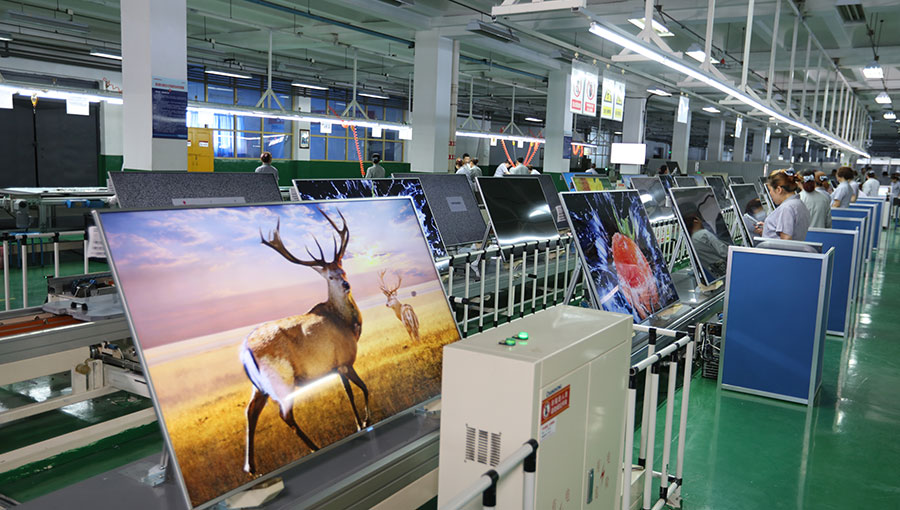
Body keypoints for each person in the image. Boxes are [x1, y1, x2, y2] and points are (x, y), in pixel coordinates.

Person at [763, 170, 811, 241]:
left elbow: (786, 241)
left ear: (779, 190)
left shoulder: (786, 208)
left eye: (770, 190)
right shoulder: (799, 204)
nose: (770, 193)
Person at [686, 213, 729, 280]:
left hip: (715, 273)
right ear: (695, 221)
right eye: (700, 220)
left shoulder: (691, 241)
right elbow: (723, 251)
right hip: (726, 267)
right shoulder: (704, 233)